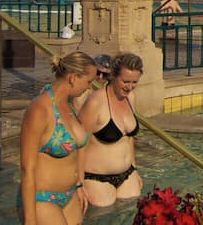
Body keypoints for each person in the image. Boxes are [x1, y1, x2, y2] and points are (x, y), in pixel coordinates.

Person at [19, 51, 96, 225]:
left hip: (70, 196)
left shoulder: (68, 105)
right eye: (88, 81)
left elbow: (76, 153)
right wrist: (30, 220)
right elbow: (27, 168)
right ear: (73, 77)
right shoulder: (40, 110)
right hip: (42, 199)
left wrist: (79, 185)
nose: (90, 87)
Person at [79, 53, 145, 207]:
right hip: (96, 178)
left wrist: (134, 168)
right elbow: (79, 144)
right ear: (113, 76)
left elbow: (128, 138)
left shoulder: (131, 98)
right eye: (125, 81)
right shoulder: (95, 102)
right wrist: (78, 183)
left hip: (128, 175)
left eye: (134, 82)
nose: (129, 87)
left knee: (132, 212)